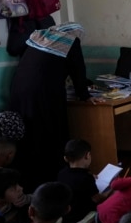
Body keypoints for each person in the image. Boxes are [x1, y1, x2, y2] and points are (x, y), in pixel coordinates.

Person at [9, 22, 95, 191]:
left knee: (28, 132)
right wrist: (85, 95)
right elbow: (78, 69)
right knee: (50, 131)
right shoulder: (71, 41)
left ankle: (29, 182)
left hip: (19, 91)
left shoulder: (38, 36)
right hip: (44, 93)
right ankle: (55, 177)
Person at [57, 138, 110, 223]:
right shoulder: (86, 178)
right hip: (81, 215)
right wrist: (111, 189)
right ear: (87, 155)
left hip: (67, 213)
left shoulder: (62, 173)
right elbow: (97, 198)